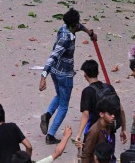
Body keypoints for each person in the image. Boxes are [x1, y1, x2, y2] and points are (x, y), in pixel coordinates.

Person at [40, 8, 97, 143]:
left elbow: (80, 26)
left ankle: (47, 115)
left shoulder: (65, 28)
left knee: (59, 96)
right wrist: (43, 76)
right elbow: (53, 56)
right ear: (74, 24)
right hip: (64, 75)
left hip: (55, 72)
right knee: (64, 105)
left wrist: (90, 33)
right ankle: (51, 135)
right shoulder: (66, 39)